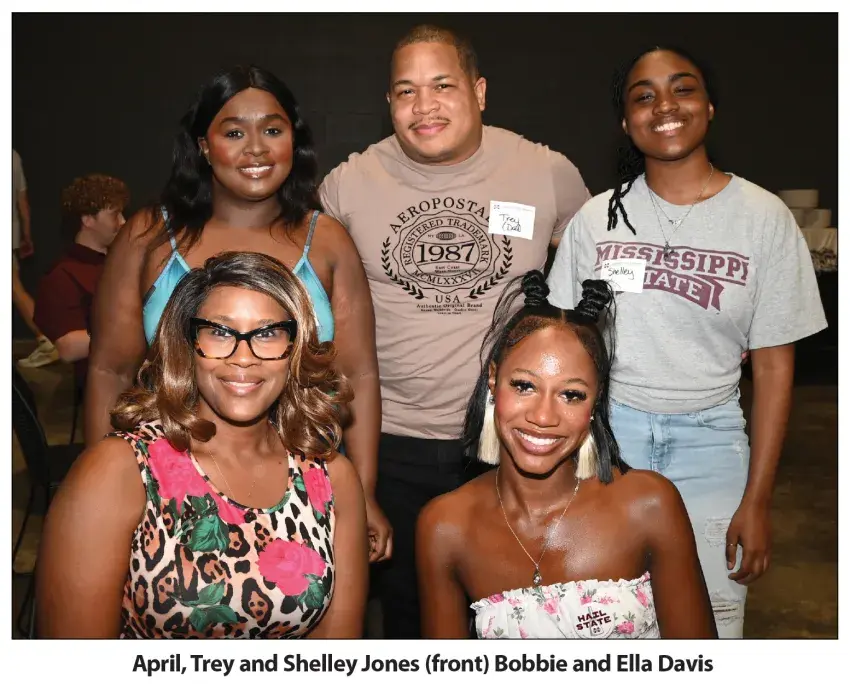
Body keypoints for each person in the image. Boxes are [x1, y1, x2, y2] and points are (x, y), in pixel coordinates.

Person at [319, 23, 590, 638]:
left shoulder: (545, 172)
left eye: (442, 85)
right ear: (388, 102)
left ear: (480, 91)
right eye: (406, 91)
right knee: (410, 614)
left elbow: (594, 274)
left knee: (514, 611)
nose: (424, 106)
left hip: (511, 439)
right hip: (389, 440)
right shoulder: (347, 184)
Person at [546, 46, 828, 638]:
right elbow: (565, 348)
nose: (664, 106)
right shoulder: (597, 219)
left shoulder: (764, 218)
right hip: (610, 440)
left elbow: (774, 368)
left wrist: (757, 500)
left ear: (710, 106)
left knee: (712, 627)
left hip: (713, 442)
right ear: (626, 121)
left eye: (683, 88)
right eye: (643, 96)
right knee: (602, 622)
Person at [85, 65, 390, 563]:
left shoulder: (328, 240)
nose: (255, 149)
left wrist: (366, 490)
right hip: (165, 474)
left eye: (272, 130)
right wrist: (100, 479)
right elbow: (109, 370)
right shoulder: (148, 235)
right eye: (233, 133)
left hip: (300, 477)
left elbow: (358, 373)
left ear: (295, 140)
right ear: (203, 146)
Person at [37, 252, 368, 638]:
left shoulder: (330, 479)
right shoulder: (118, 471)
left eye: (267, 334)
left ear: (295, 349)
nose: (243, 358)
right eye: (220, 332)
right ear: (187, 344)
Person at [416, 271, 716, 639]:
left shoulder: (649, 504)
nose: (543, 417)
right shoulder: (445, 526)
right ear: (493, 379)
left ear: (596, 400)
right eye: (524, 386)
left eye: (571, 395)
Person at [33, 174, 129, 390]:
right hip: (103, 388)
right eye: (114, 214)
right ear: (88, 220)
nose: (123, 221)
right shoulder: (62, 276)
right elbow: (69, 347)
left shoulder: (121, 263)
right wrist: (139, 330)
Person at [13, 148, 59, 368]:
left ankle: (46, 338)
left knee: (13, 287)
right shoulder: (12, 155)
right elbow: (22, 201)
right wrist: (26, 234)